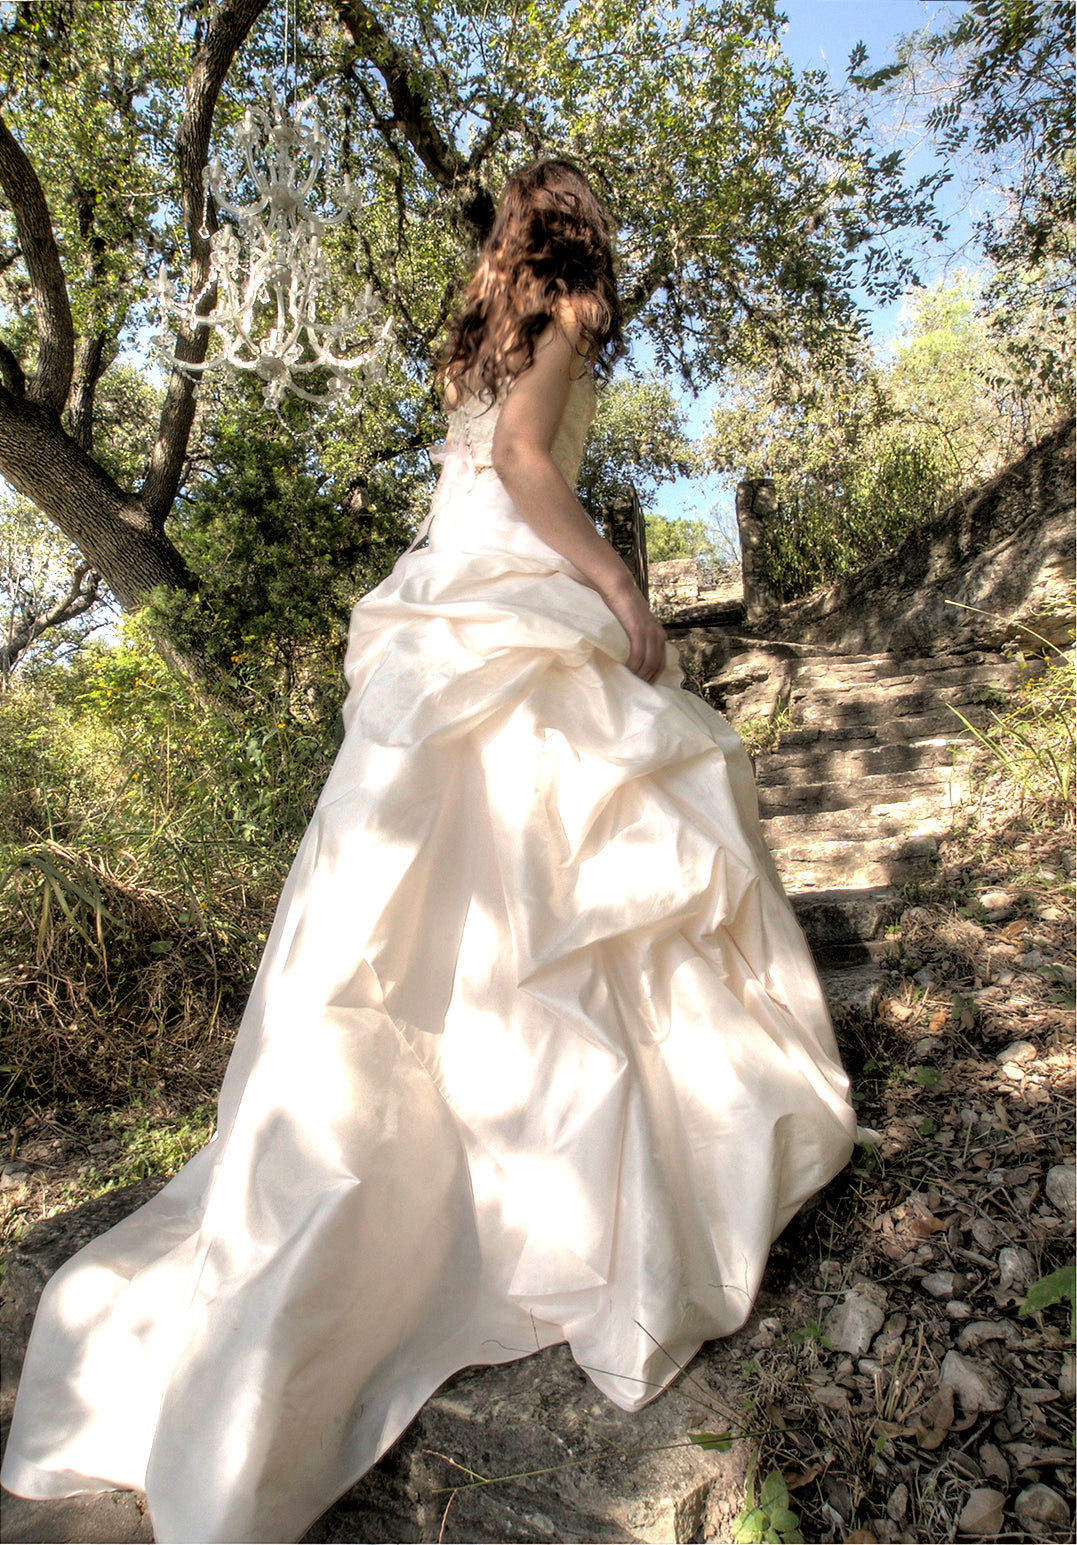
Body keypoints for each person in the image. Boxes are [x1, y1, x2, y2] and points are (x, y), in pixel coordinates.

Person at [1, 159, 857, 1544]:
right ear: (582, 234)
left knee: (438, 898)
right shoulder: (569, 314)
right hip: (501, 597)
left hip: (451, 597)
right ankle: (578, 1184)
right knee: (565, 863)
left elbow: (479, 462)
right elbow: (524, 463)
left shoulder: (486, 329)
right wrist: (618, 579)